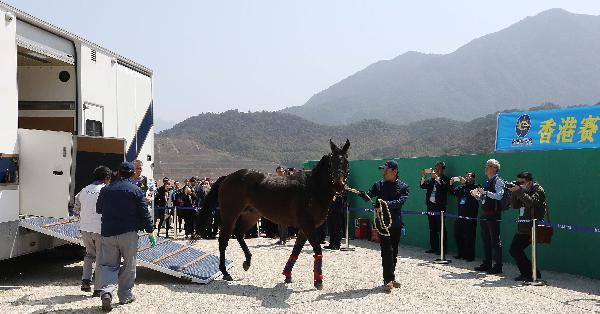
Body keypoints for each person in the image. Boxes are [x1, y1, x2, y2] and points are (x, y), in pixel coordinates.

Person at [96, 161, 155, 311]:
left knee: (108, 265)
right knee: (129, 265)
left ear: (118, 172)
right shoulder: (136, 190)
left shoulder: (106, 190)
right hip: (128, 234)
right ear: (132, 173)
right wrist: (150, 230)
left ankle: (107, 292)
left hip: (108, 232)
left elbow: (98, 209)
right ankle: (125, 295)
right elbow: (144, 213)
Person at [359, 160, 409, 293]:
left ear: (394, 171)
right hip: (382, 224)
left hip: (396, 223)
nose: (384, 172)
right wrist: (363, 195)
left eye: (386, 170)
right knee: (386, 251)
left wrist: (383, 204)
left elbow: (399, 202)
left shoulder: (403, 187)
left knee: (394, 251)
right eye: (383, 170)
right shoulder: (378, 185)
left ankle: (391, 278)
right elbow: (369, 195)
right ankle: (387, 280)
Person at [73, 165, 112, 297]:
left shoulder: (84, 190)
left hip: (85, 228)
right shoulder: (106, 190)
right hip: (100, 229)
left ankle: (85, 280)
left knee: (89, 255)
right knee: (101, 258)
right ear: (107, 178)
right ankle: (98, 288)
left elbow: (76, 209)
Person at [508, 171, 547, 282]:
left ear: (529, 182)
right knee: (514, 250)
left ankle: (530, 274)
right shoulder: (522, 190)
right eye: (518, 182)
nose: (520, 184)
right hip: (523, 226)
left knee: (515, 249)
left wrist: (519, 191)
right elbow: (515, 206)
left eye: (522, 182)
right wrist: (514, 192)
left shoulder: (538, 190)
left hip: (533, 227)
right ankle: (532, 273)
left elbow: (531, 203)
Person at [471, 159, 505, 274]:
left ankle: (498, 266)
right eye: (486, 165)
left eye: (489, 166)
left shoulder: (498, 181)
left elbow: (499, 196)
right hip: (485, 214)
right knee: (486, 240)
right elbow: (485, 199)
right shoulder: (487, 182)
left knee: (495, 241)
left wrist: (485, 193)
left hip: (494, 215)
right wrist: (477, 196)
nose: (486, 167)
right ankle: (487, 263)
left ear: (495, 168)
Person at [449, 172, 480, 262]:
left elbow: (476, 194)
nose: (467, 177)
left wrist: (465, 183)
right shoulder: (462, 188)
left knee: (470, 236)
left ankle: (470, 256)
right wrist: (451, 183)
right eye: (466, 176)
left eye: (469, 176)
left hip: (471, 216)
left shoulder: (476, 186)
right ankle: (461, 253)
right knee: (458, 234)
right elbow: (453, 192)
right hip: (460, 215)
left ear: (473, 178)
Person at [420, 161, 450, 254]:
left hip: (439, 207)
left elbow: (444, 187)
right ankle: (434, 247)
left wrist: (437, 178)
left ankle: (442, 249)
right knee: (432, 228)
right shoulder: (431, 179)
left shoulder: (445, 179)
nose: (437, 171)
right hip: (430, 206)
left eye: (439, 169)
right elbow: (422, 186)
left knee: (440, 228)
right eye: (436, 169)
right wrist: (424, 176)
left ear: (443, 170)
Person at [274, 166, 289, 245]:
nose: (279, 173)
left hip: (286, 203)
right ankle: (281, 238)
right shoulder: (276, 181)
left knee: (284, 222)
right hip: (278, 203)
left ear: (284, 172)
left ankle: (284, 239)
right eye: (278, 171)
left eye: (281, 171)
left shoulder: (287, 180)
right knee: (279, 222)